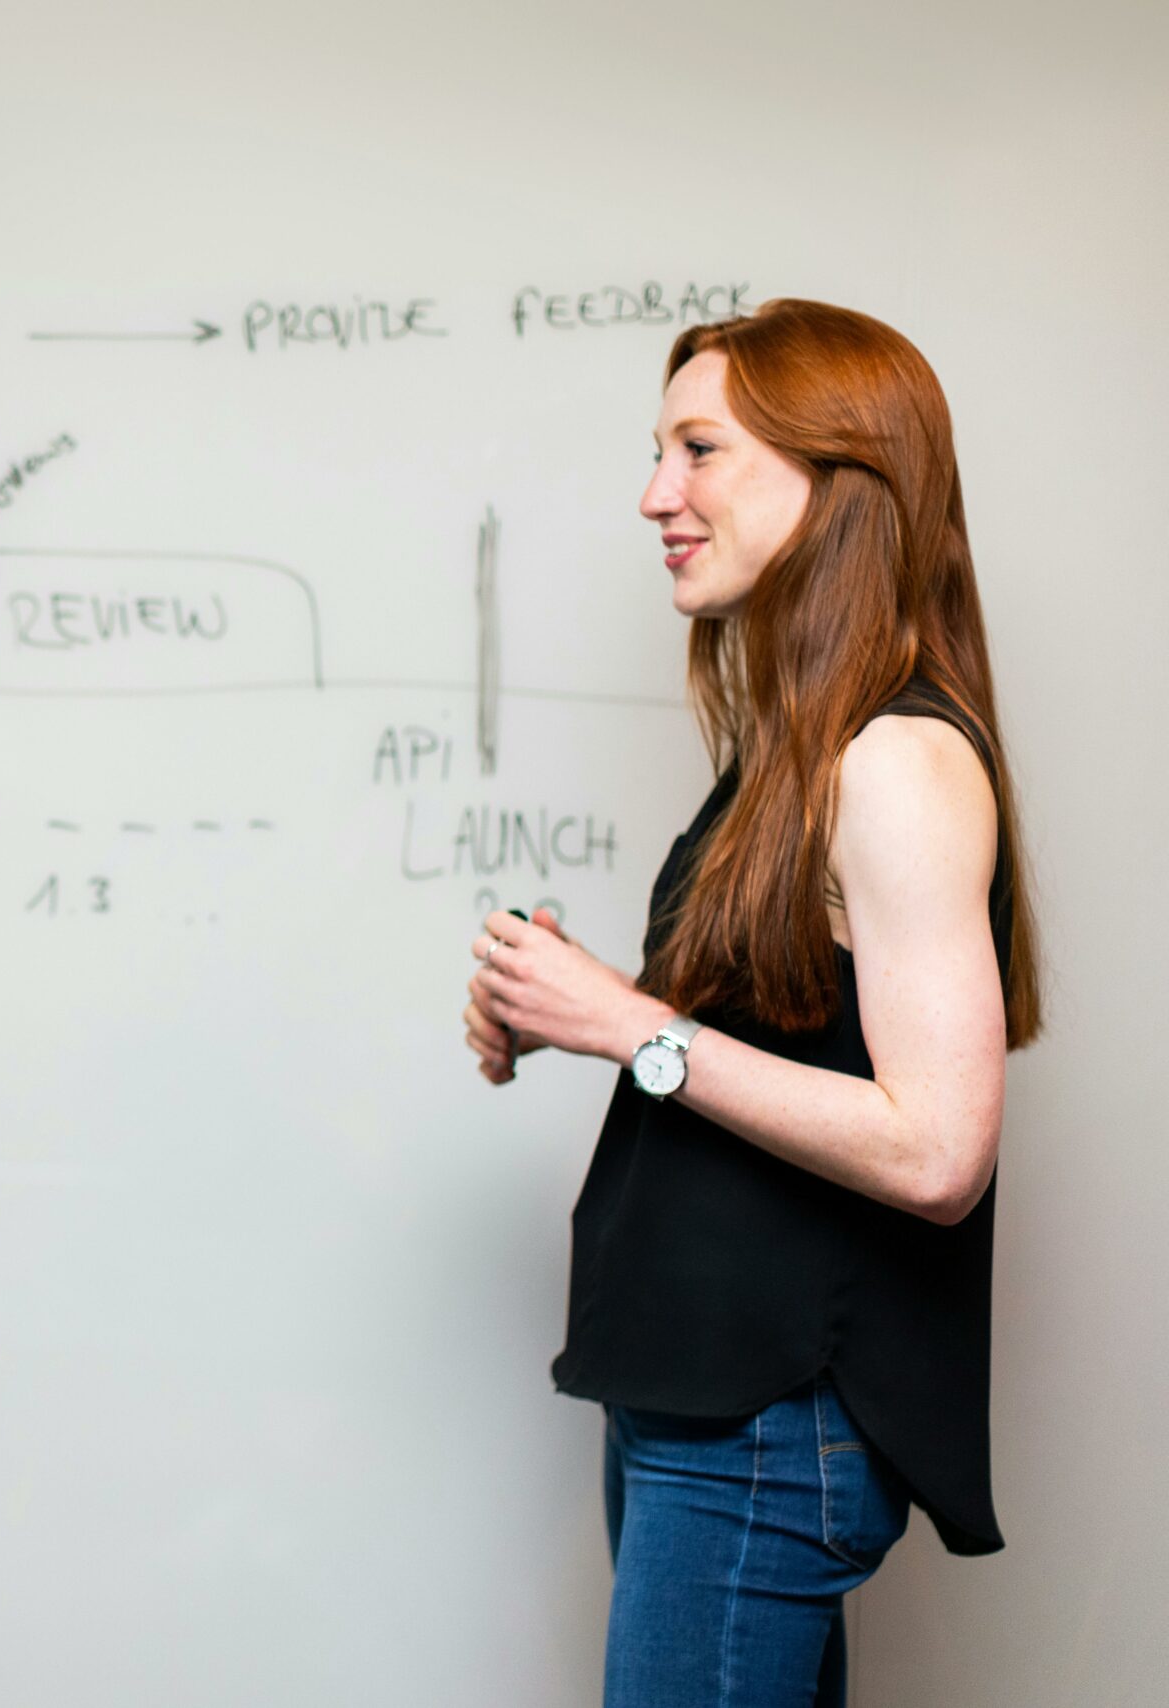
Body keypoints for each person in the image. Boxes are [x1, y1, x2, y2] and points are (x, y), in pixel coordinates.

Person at [460, 300, 1040, 1707]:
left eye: (699, 448)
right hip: (711, 1408)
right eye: (661, 452)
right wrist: (570, 1004)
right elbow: (776, 1040)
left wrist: (624, 1023)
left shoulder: (894, 760)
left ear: (839, 473)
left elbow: (938, 1151)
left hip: (767, 1427)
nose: (658, 495)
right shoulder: (802, 750)